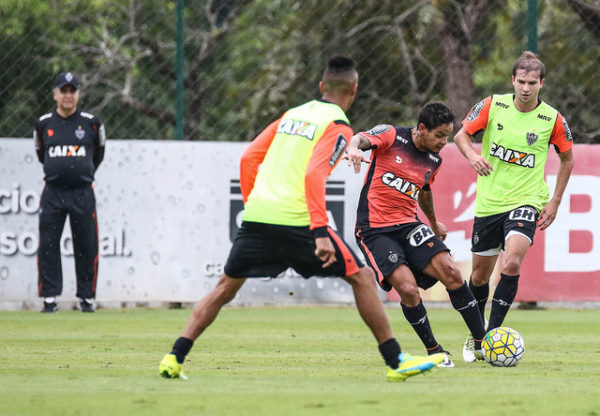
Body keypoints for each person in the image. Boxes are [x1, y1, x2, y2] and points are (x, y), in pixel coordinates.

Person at [159, 56, 443, 382]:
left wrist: (255, 204)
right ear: (354, 89)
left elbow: (250, 156)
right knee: (362, 278)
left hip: (257, 218)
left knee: (224, 289)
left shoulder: (291, 115)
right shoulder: (337, 126)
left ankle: (174, 357)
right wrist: (321, 230)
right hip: (299, 223)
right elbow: (313, 175)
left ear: (322, 86)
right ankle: (395, 362)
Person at [345, 102, 486, 368]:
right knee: (408, 290)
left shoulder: (434, 160)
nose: (444, 142)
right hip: (375, 230)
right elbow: (362, 138)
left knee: (453, 273)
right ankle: (434, 350)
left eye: (447, 135)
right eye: (439, 135)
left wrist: (433, 223)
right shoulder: (391, 135)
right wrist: (353, 147)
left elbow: (424, 191)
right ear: (421, 129)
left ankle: (483, 343)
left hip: (409, 225)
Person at [453, 51, 574, 362]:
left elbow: (567, 159)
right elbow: (461, 135)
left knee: (513, 262)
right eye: (521, 81)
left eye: (532, 82)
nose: (526, 88)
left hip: (527, 201)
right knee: (479, 277)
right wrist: (473, 156)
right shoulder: (494, 105)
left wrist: (555, 201)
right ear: (512, 81)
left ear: (541, 84)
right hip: (489, 203)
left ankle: (492, 339)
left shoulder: (553, 119)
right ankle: (476, 335)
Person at [34, 72, 106, 313]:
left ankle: (87, 298)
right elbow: (40, 153)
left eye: (71, 90)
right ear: (55, 94)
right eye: (63, 91)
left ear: (77, 94)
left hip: (82, 192)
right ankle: (50, 298)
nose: (67, 95)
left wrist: (81, 173)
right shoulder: (44, 124)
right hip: (53, 192)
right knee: (48, 244)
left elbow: (98, 153)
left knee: (87, 245)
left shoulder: (91, 123)